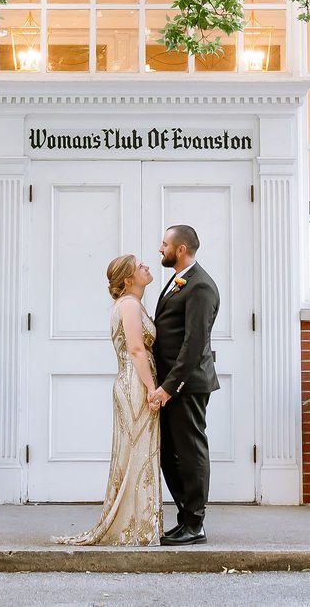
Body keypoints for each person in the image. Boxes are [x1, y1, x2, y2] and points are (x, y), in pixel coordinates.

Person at [55, 253, 163, 546]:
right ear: (129, 280)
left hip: (135, 382)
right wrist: (153, 389)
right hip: (135, 384)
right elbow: (137, 350)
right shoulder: (128, 305)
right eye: (140, 266)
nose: (147, 267)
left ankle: (141, 524)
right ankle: (133, 527)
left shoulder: (134, 303)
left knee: (140, 452)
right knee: (137, 452)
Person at [149, 223, 219, 545]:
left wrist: (168, 387)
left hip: (187, 386)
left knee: (190, 451)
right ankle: (186, 517)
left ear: (180, 250)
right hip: (170, 383)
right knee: (167, 454)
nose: (160, 249)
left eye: (164, 244)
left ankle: (195, 523)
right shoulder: (179, 282)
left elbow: (193, 345)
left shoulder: (200, 287)